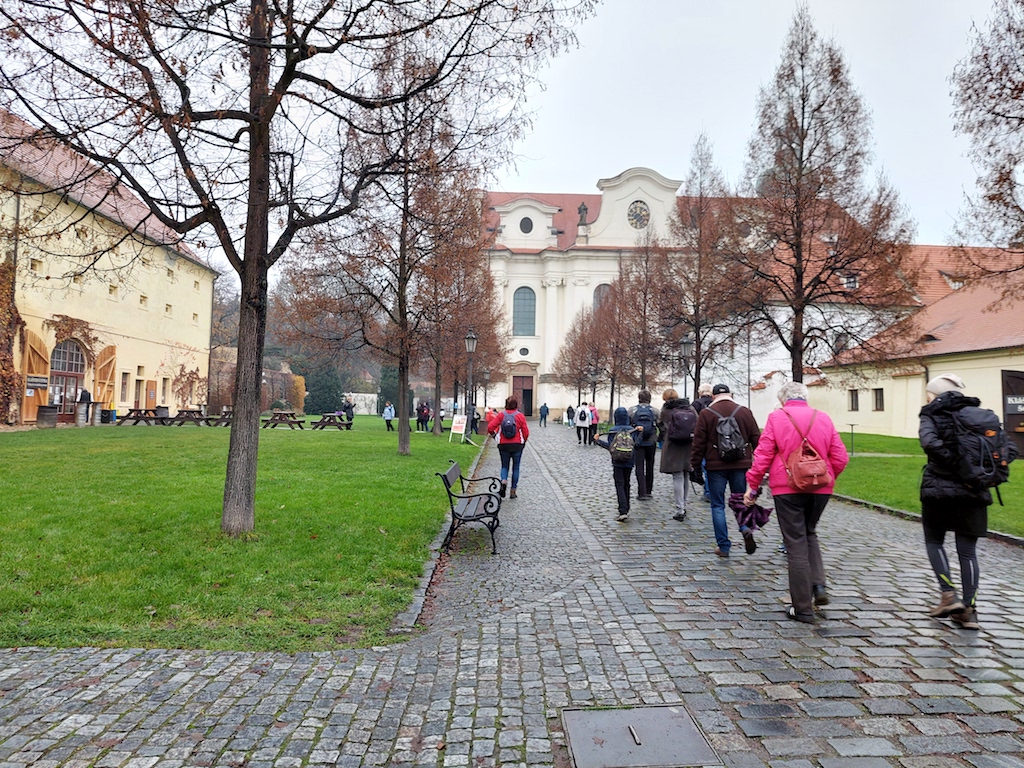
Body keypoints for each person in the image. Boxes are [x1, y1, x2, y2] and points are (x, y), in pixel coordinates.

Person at [743, 381, 848, 623]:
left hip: (787, 487)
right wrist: (827, 478)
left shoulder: (777, 417)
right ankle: (819, 586)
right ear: (806, 398)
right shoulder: (823, 417)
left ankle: (802, 608)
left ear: (783, 400)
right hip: (820, 487)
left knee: (796, 543)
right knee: (810, 532)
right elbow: (840, 456)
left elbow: (763, 454)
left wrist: (753, 485)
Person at [918, 374, 1007, 630]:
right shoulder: (980, 417)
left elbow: (929, 443)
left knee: (934, 541)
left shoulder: (931, 414)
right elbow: (1008, 450)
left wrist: (956, 465)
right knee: (967, 552)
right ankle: (970, 610)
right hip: (975, 492)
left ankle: (948, 595)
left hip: (939, 491)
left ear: (935, 394)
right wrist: (975, 472)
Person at [690, 384, 761, 558]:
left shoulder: (706, 414)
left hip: (716, 466)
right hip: (740, 464)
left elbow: (698, 444)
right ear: (731, 395)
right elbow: (757, 440)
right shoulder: (745, 412)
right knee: (740, 500)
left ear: (713, 397)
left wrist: (695, 465)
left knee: (717, 505)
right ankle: (745, 528)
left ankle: (723, 546)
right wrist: (758, 465)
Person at [596, 407, 643, 522]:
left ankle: (622, 510)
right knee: (627, 483)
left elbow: (609, 447)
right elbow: (637, 444)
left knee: (619, 484)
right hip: (629, 460)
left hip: (617, 461)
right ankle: (627, 507)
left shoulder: (613, 430)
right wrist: (640, 433)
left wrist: (597, 441)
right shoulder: (632, 430)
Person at [659, 388, 697, 521]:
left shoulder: (666, 410)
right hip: (688, 445)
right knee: (686, 473)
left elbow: (662, 426)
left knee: (677, 476)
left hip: (673, 445)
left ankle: (679, 507)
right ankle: (684, 504)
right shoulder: (690, 408)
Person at [487, 396, 530, 499]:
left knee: (504, 466)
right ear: (516, 405)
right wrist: (523, 441)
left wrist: (494, 436)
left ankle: (503, 481)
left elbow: (490, 427)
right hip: (517, 445)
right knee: (516, 467)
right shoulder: (520, 416)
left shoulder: (501, 415)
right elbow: (526, 432)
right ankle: (513, 491)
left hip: (503, 444)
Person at [628, 391, 660, 500]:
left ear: (639, 398)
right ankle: (649, 490)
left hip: (638, 441)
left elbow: (629, 426)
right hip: (651, 441)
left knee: (639, 466)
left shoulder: (632, 410)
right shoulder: (655, 411)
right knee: (650, 466)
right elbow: (661, 425)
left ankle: (641, 492)